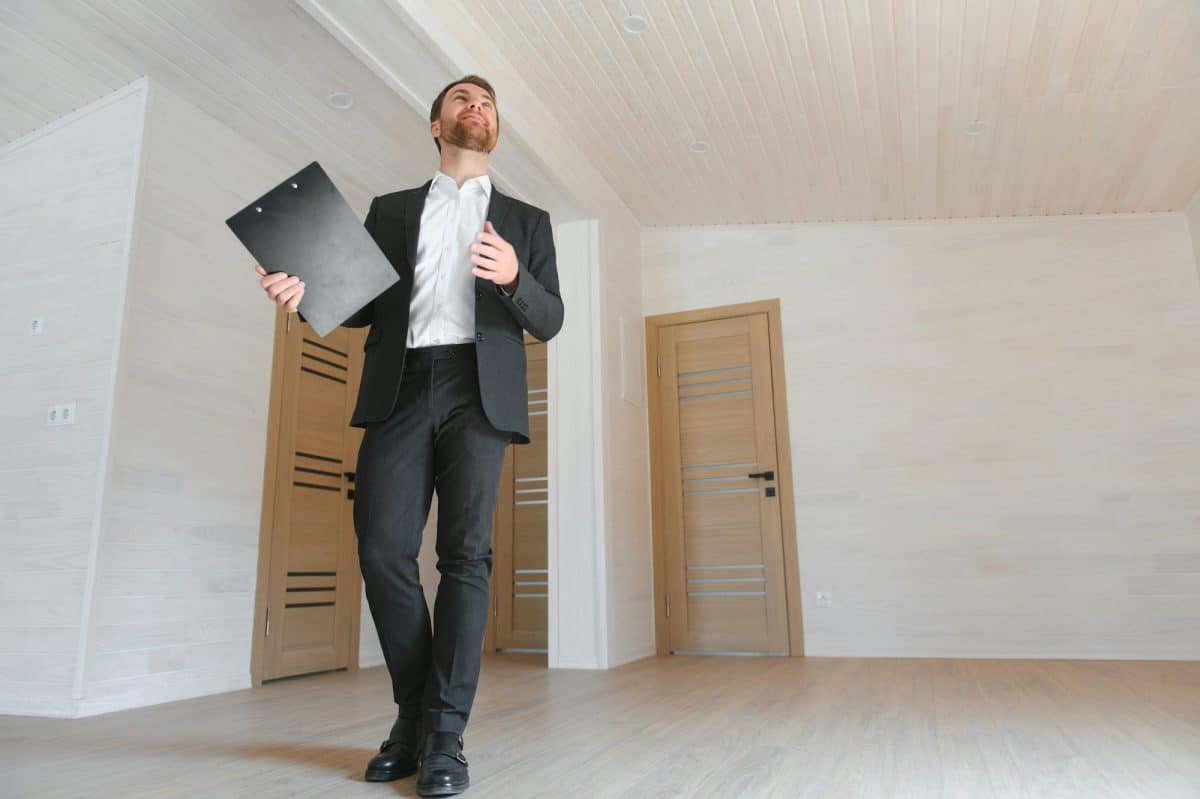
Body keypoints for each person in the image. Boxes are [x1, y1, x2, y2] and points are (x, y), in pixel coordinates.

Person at [255, 75, 563, 796]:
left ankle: (443, 735)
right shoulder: (390, 210)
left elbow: (548, 319)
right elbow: (358, 304)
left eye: (487, 101)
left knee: (466, 555)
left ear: (496, 129)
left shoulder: (528, 219)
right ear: (435, 124)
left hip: (478, 392)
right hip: (400, 385)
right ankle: (415, 712)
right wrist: (305, 297)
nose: (475, 106)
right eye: (461, 98)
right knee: (381, 547)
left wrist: (517, 278)